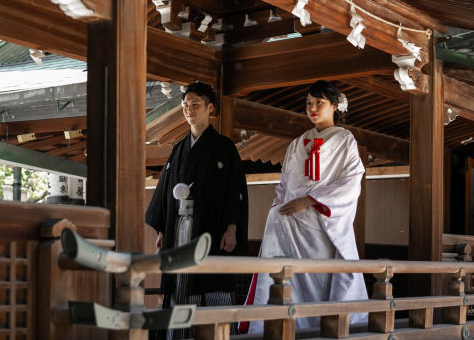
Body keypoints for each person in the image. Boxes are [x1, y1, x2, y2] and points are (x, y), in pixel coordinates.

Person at [242, 80, 368, 333]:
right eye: (309, 103)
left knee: (319, 280)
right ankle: (287, 329)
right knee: (287, 280)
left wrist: (310, 200)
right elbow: (284, 185)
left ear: (334, 106)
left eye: (319, 102)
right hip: (290, 227)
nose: (313, 108)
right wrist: (279, 208)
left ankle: (321, 330)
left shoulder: (345, 139)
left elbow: (351, 181)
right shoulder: (296, 143)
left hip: (321, 224)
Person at [145, 81, 249, 340]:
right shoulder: (178, 150)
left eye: (195, 104)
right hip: (178, 229)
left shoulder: (224, 147)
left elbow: (234, 190)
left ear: (210, 108)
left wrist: (232, 227)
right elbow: (164, 192)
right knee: (180, 282)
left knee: (210, 280)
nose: (189, 109)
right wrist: (162, 229)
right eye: (185, 105)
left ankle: (214, 333)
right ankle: (179, 334)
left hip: (210, 228)